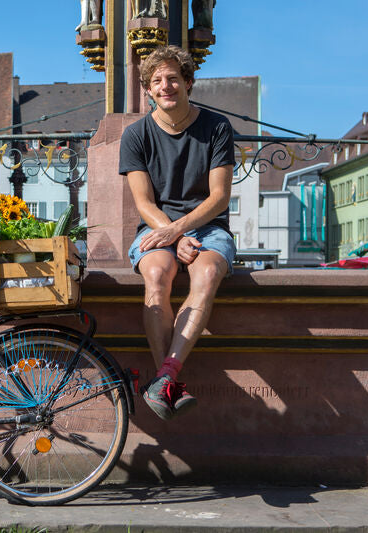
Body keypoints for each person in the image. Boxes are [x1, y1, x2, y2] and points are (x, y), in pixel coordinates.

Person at [118, 45, 236, 420]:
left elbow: (219, 197)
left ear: (187, 83)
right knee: (156, 274)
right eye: (157, 81)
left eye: (172, 78)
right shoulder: (135, 134)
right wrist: (173, 236)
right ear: (148, 91)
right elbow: (143, 202)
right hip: (156, 227)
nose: (165, 86)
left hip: (208, 227)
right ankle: (168, 380)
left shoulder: (217, 127)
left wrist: (182, 231)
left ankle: (164, 378)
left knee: (208, 272)